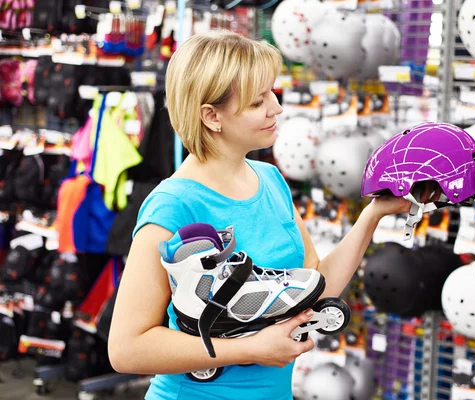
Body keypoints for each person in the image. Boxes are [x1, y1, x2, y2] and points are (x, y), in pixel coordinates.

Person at [107, 30, 440, 400]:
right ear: (211, 116)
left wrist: (373, 215)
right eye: (257, 102)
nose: (276, 108)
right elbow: (126, 349)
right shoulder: (173, 205)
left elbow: (315, 288)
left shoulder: (269, 179)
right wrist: (250, 349)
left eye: (272, 94)